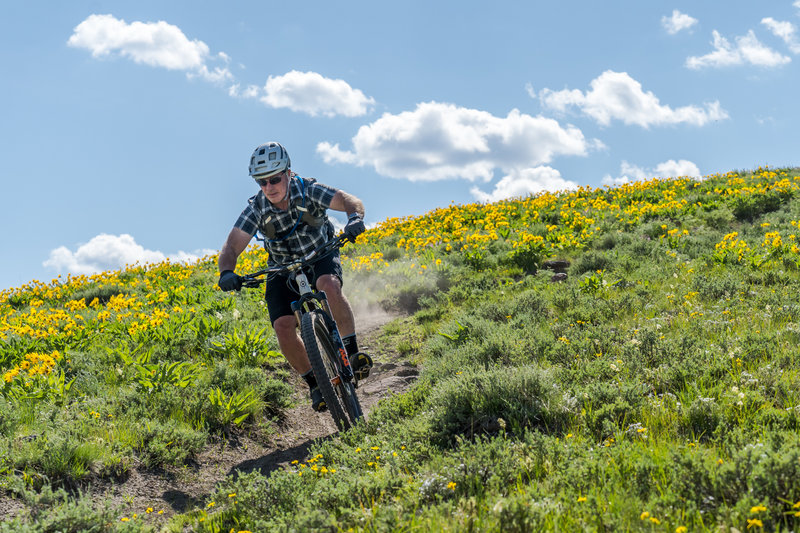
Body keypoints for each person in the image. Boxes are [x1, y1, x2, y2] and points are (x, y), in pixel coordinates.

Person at [217, 141, 373, 412]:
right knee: (282, 326)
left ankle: (351, 352)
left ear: (288, 173)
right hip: (282, 267)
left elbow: (349, 200)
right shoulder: (256, 209)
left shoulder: (309, 190)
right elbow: (231, 246)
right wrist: (226, 272)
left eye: (274, 179)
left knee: (328, 286)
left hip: (320, 252)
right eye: (262, 182)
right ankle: (316, 384)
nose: (269, 187)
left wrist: (354, 218)